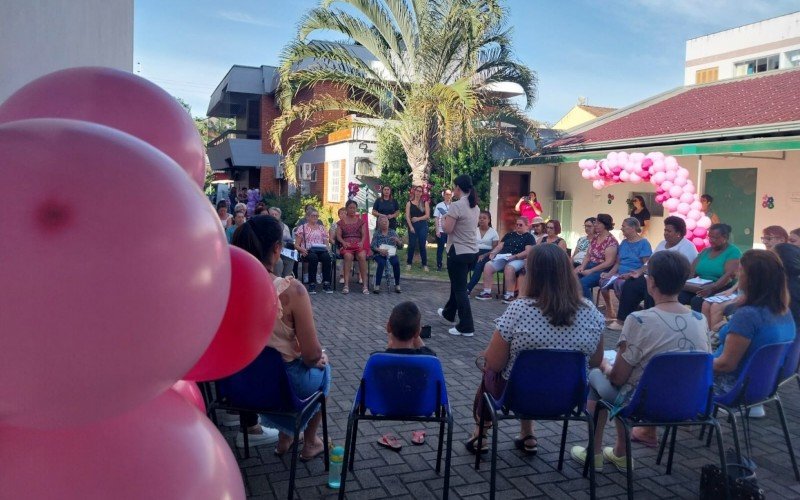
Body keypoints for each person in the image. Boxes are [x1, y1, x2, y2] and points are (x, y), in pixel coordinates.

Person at [570, 251, 709, 472]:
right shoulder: (701, 319)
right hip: (687, 402)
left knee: (596, 376)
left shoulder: (639, 319)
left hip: (643, 403)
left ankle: (594, 453)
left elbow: (618, 377)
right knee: (622, 383)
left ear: (651, 281)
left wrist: (605, 366)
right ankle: (619, 453)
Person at [467, 244, 605, 455]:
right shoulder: (590, 311)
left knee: (491, 370)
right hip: (569, 398)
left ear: (533, 274)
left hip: (519, 395)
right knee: (531, 371)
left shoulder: (520, 310)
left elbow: (494, 363)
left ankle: (481, 433)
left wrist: (484, 356)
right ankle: (527, 433)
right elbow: (595, 361)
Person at [231, 215, 331, 458]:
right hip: (281, 386)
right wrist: (317, 358)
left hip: (237, 385)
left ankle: (286, 436)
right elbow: (311, 354)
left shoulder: (224, 286)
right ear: (277, 249)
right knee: (324, 368)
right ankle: (310, 442)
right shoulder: (292, 290)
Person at [713, 250, 796, 398]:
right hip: (764, 384)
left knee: (671, 373)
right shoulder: (784, 311)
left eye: (740, 270)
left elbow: (726, 365)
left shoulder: (748, 316)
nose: (738, 275)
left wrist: (698, 364)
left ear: (751, 278)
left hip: (731, 386)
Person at [613, 216, 699, 329]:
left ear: (678, 233)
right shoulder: (662, 244)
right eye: (665, 230)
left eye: (669, 231)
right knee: (631, 284)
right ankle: (622, 320)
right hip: (655, 277)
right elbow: (649, 263)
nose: (665, 233)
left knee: (651, 290)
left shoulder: (687, 247)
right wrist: (638, 272)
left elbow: (684, 271)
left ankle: (650, 323)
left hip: (671, 282)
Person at [701, 225, 788, 330]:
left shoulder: (782, 260)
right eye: (764, 238)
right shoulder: (762, 255)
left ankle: (716, 337)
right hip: (743, 294)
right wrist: (731, 290)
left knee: (715, 306)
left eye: (768, 238)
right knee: (706, 303)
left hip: (754, 298)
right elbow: (746, 276)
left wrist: (741, 296)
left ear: (782, 240)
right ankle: (708, 337)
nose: (765, 241)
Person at [437, 175, 480, 336]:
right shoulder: (475, 206)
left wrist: (443, 220)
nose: (453, 190)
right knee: (457, 284)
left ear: (458, 188)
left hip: (458, 252)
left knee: (460, 289)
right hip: (472, 252)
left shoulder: (456, 206)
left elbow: (447, 229)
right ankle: (449, 313)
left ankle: (466, 326)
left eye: (454, 187)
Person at [603, 218, 653, 330]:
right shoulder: (624, 243)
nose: (621, 228)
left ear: (633, 228)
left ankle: (625, 316)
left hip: (635, 275)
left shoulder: (643, 243)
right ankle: (630, 310)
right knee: (604, 281)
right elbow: (618, 263)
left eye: (624, 226)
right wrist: (609, 274)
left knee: (622, 285)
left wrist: (631, 274)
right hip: (620, 274)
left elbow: (646, 264)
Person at [679, 223, 741, 312]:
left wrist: (712, 288)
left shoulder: (733, 252)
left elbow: (729, 276)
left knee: (697, 301)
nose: (711, 240)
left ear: (725, 237)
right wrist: (686, 284)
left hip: (720, 287)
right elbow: (692, 271)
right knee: (677, 295)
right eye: (709, 237)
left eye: (715, 238)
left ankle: (701, 325)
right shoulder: (705, 251)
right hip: (700, 286)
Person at [474, 216, 536, 303]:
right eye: (517, 224)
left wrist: (515, 256)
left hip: (519, 258)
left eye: (520, 225)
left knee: (509, 267)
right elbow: (500, 246)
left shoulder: (529, 237)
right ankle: (486, 292)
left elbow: (528, 252)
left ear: (527, 226)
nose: (518, 226)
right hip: (504, 257)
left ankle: (509, 294)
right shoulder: (509, 235)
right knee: (488, 265)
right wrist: (494, 252)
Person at [575, 214, 619, 301]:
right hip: (590, 265)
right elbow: (588, 255)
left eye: (598, 223)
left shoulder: (611, 241)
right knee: (571, 278)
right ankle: (576, 305)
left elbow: (609, 262)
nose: (595, 225)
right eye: (595, 223)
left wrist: (590, 271)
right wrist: (582, 267)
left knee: (582, 283)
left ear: (605, 225)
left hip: (602, 269)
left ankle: (590, 309)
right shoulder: (595, 237)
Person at [294, 209, 333, 294]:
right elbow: (296, 245)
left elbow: (326, 243)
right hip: (307, 250)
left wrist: (327, 249)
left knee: (327, 257)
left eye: (317, 216)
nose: (315, 217)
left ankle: (326, 283)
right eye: (313, 216)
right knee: (313, 258)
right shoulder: (303, 228)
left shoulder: (322, 228)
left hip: (320, 250)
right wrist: (302, 250)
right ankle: (312, 283)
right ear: (307, 217)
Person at [337, 200, 369, 294]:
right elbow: (338, 235)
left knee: (362, 256)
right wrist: (343, 242)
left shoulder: (361, 222)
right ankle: (346, 285)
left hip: (358, 243)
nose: (352, 210)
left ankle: (365, 285)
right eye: (350, 208)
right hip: (347, 244)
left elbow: (364, 234)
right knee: (348, 256)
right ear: (347, 209)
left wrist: (362, 242)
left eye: (354, 208)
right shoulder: (341, 222)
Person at [467, 210, 500, 294]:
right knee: (464, 264)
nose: (481, 220)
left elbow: (494, 249)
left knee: (479, 265)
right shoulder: (474, 230)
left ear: (489, 220)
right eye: (480, 218)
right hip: (474, 252)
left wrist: (484, 255)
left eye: (484, 218)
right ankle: (460, 287)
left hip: (487, 254)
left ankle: (468, 289)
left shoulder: (494, 233)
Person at [371, 214, 403, 293]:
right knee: (381, 263)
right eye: (382, 222)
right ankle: (377, 285)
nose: (385, 223)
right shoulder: (377, 233)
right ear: (379, 223)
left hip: (391, 254)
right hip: (379, 254)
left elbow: (401, 247)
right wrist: (380, 250)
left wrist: (398, 241)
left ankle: (397, 285)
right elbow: (372, 246)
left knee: (396, 262)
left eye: (386, 222)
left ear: (388, 223)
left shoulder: (393, 232)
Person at [405, 185, 430, 272]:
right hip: (412, 226)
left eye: (420, 191)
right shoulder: (409, 203)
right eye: (417, 191)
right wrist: (411, 227)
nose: (418, 192)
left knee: (422, 245)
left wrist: (417, 218)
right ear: (414, 192)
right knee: (411, 245)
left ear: (422, 193)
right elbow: (407, 217)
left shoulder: (424, 203)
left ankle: (424, 264)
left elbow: (427, 216)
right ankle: (409, 263)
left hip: (422, 226)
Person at [269, 206, 295, 278]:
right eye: (272, 214)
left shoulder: (285, 226)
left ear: (279, 216)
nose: (274, 216)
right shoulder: (266, 225)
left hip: (283, 249)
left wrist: (287, 243)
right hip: (270, 250)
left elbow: (289, 240)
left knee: (291, 257)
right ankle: (278, 281)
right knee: (279, 262)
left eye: (276, 214)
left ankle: (286, 280)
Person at [434, 189, 453, 271]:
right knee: (440, 249)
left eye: (449, 194)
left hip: (451, 231)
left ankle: (450, 265)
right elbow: (436, 218)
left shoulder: (454, 205)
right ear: (443, 195)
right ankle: (439, 265)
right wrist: (437, 230)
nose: (448, 196)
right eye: (446, 194)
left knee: (451, 249)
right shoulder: (439, 205)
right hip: (441, 231)